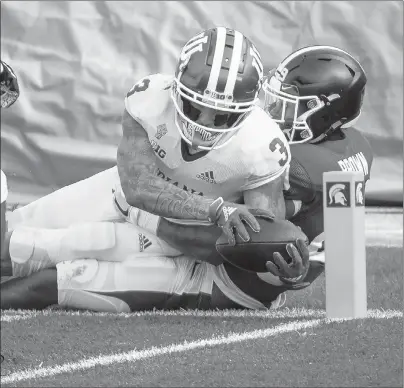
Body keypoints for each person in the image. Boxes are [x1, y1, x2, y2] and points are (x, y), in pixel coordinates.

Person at [1, 45, 373, 312]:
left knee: (61, 271)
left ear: (322, 115)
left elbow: (221, 246)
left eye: (285, 104)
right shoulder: (349, 156)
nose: (270, 110)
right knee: (19, 245)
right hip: (182, 216)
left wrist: (143, 214)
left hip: (215, 268)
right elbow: (335, 256)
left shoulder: (294, 164)